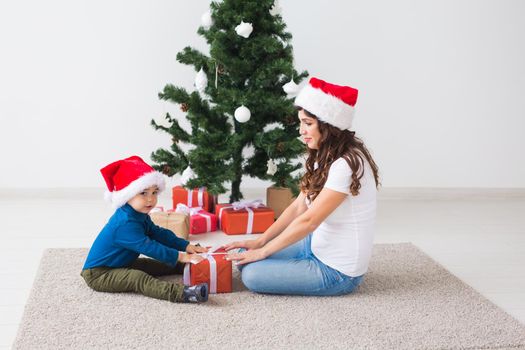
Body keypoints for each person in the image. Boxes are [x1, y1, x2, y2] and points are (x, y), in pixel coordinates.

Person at [225, 77, 380, 296]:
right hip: (316, 245)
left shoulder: (345, 164)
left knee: (252, 275)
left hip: (337, 271)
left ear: (328, 125)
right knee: (244, 253)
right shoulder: (324, 155)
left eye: (308, 123)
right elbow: (299, 207)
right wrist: (260, 241)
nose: (301, 131)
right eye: (301, 123)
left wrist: (263, 252)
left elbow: (309, 221)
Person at [81, 155, 209, 303]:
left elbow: (158, 234)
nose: (151, 199)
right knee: (138, 277)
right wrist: (181, 256)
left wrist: (186, 246)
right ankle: (184, 293)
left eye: (154, 192)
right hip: (99, 274)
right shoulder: (124, 224)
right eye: (143, 193)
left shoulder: (138, 214)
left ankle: (186, 268)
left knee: (152, 265)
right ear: (127, 195)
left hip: (121, 263)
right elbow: (150, 247)